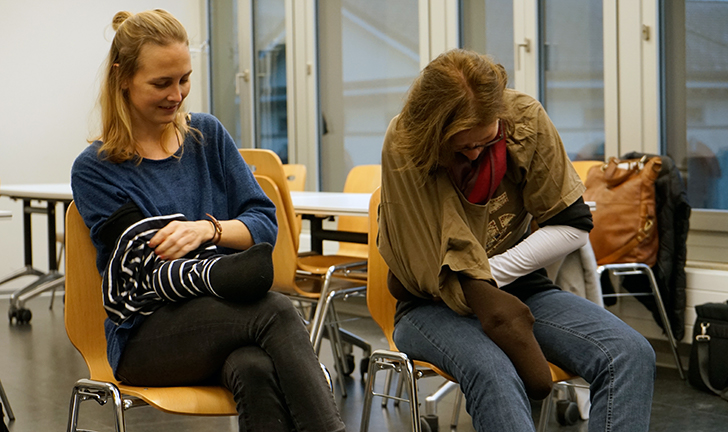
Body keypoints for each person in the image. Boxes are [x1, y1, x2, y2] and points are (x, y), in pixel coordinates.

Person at [71, 9, 346, 432]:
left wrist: (208, 230)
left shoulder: (208, 136)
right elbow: (152, 270)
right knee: (274, 310)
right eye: (161, 83)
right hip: (145, 336)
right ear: (122, 77)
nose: (177, 95)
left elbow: (265, 224)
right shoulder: (96, 169)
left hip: (221, 317)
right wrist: (233, 264)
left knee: (253, 366)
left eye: (185, 79)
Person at [378, 49, 655, 431]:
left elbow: (572, 225)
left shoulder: (524, 120)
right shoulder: (405, 139)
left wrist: (490, 277)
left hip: (517, 291)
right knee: (492, 370)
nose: (476, 153)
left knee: (629, 353)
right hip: (429, 304)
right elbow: (426, 267)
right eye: (463, 147)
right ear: (434, 132)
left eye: (485, 141)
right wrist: (484, 292)